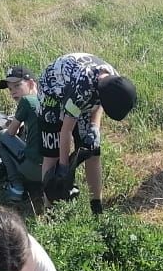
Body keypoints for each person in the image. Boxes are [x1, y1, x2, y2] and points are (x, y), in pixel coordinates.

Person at [37, 53, 137, 215]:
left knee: (92, 151)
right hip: (53, 91)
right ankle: (50, 211)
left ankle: (96, 206)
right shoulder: (82, 88)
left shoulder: (114, 79)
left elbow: (99, 103)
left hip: (80, 93)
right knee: (52, 154)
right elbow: (66, 130)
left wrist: (94, 127)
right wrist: (64, 168)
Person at [0, 65, 44, 203]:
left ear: (30, 83)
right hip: (56, 168)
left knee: (2, 137)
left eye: (17, 86)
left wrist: (13, 126)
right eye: (10, 89)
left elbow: (11, 132)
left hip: (37, 170)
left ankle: (16, 187)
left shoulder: (27, 101)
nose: (13, 92)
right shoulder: (48, 99)